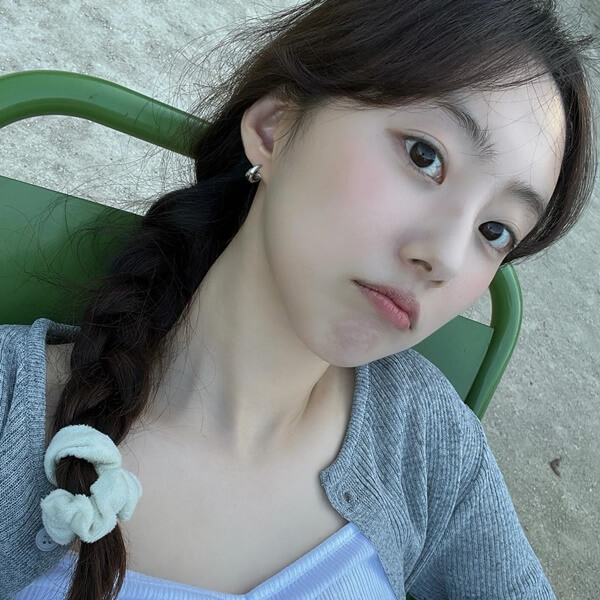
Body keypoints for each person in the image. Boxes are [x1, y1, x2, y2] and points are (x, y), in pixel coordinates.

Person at [0, 0, 596, 598]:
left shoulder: (426, 436)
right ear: (274, 127)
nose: (446, 258)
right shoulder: (12, 407)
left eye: (495, 231)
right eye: (425, 156)